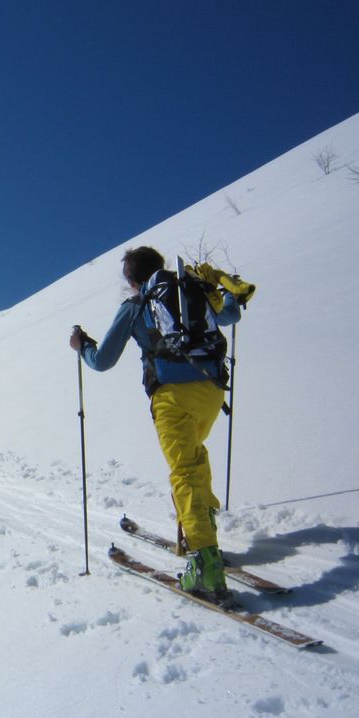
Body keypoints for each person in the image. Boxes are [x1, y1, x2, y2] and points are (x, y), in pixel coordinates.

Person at [70, 246, 241, 603]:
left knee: (185, 471)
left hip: (171, 398)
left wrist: (82, 346)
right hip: (211, 390)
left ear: (132, 279)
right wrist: (225, 290)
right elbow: (231, 316)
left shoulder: (136, 306)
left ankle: (205, 562)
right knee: (195, 461)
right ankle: (200, 531)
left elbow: (102, 361)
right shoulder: (191, 293)